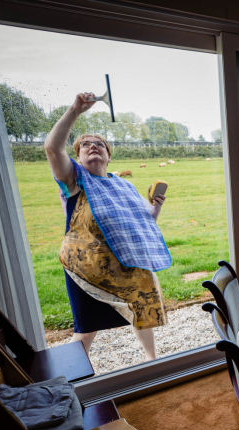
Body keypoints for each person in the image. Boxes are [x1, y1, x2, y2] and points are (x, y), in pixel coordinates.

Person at [44, 92, 170, 360]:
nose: (93, 146)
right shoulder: (74, 180)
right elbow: (53, 149)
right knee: (86, 328)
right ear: (77, 157)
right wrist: (76, 110)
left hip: (125, 262)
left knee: (142, 312)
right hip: (86, 268)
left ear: (108, 156)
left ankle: (153, 361)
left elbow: (142, 226)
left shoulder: (123, 184)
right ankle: (75, 377)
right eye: (85, 145)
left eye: (99, 144)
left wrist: (155, 207)